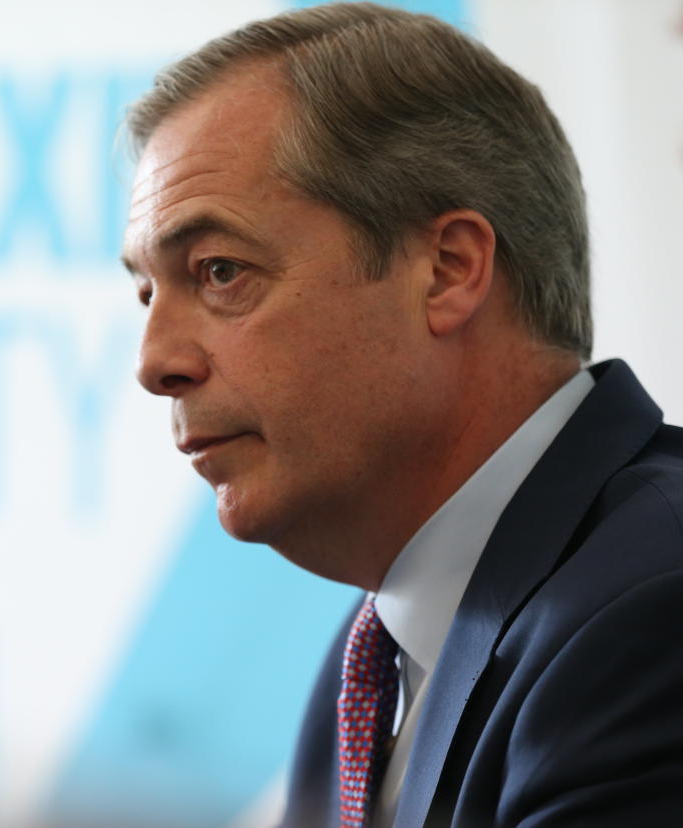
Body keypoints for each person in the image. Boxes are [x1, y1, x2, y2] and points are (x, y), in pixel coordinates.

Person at [120, 3, 683, 826]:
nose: (154, 363)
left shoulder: (650, 613)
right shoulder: (373, 655)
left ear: (450, 270)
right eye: (145, 292)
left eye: (219, 271)